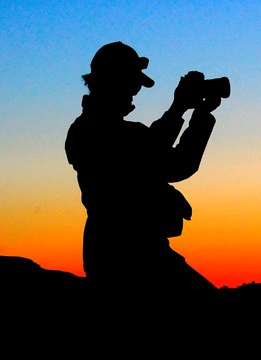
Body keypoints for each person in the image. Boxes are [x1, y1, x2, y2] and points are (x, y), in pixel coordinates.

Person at [64, 41, 223, 303]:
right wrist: (187, 110)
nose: (135, 92)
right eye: (131, 83)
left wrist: (191, 112)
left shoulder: (99, 129)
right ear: (112, 81)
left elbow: (164, 158)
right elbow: (159, 156)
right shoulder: (94, 131)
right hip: (129, 257)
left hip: (133, 253)